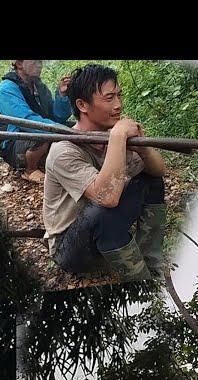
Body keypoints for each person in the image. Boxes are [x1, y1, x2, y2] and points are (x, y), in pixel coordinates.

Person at [43, 64, 167, 282]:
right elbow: (106, 198)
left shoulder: (110, 136)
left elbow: (159, 171)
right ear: (82, 105)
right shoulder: (63, 150)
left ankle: (151, 260)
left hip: (99, 230)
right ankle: (141, 281)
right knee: (103, 211)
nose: (118, 105)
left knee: (151, 181)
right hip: (71, 249)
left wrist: (142, 148)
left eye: (119, 96)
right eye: (109, 98)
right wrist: (118, 136)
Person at [0, 60, 72, 183]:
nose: (39, 65)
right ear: (19, 64)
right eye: (34, 61)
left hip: (37, 131)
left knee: (75, 125)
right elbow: (26, 121)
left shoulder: (39, 87)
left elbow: (56, 116)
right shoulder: (6, 89)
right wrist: (64, 131)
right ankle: (30, 170)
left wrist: (62, 95)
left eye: (40, 61)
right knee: (41, 134)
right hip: (15, 142)